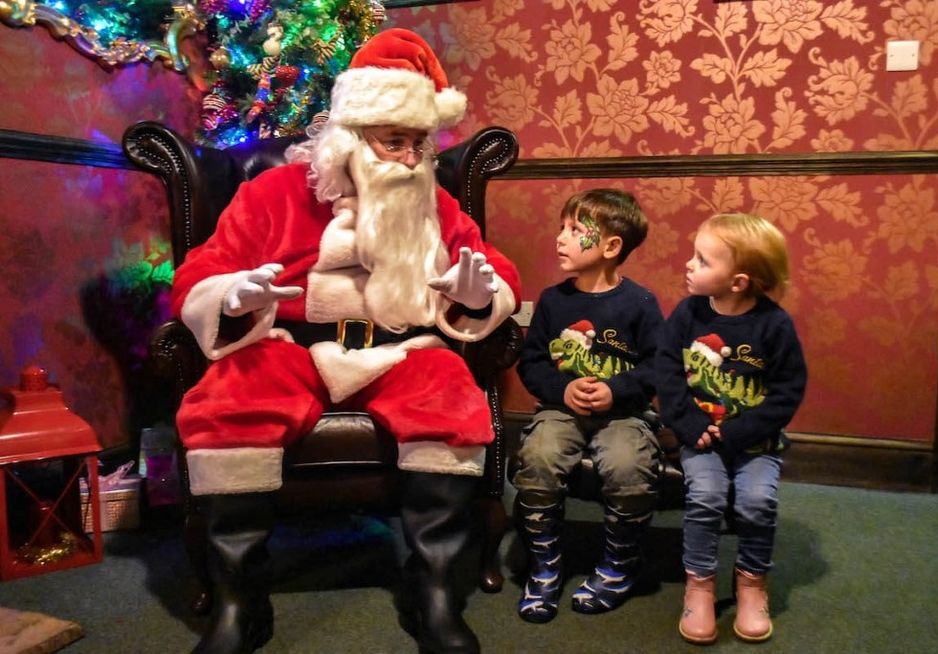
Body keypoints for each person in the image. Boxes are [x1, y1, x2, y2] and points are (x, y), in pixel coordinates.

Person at [170, 28, 520, 654]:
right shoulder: (271, 194)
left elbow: (492, 268)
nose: (411, 159)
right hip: (287, 342)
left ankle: (431, 591)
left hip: (401, 346)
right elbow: (202, 267)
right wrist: (230, 296)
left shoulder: (434, 204)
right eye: (395, 142)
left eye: (419, 143)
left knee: (452, 403)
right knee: (226, 404)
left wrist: (478, 296)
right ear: (351, 139)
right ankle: (239, 601)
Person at [510, 188, 664, 623]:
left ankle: (618, 566)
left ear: (611, 246)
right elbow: (533, 363)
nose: (560, 238)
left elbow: (659, 366)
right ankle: (545, 566)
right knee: (538, 458)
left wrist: (617, 390)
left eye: (575, 230)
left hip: (625, 414)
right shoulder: (554, 301)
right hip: (561, 411)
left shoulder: (640, 304)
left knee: (627, 466)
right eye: (561, 227)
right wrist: (563, 391)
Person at [654, 213, 807, 644]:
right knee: (705, 497)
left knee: (758, 503)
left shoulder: (774, 326)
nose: (689, 265)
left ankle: (752, 583)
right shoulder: (688, 314)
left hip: (755, 442)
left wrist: (740, 430)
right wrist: (687, 422)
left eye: (702, 260)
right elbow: (666, 371)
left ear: (738, 281)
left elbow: (787, 390)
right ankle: (699, 584)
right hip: (699, 438)